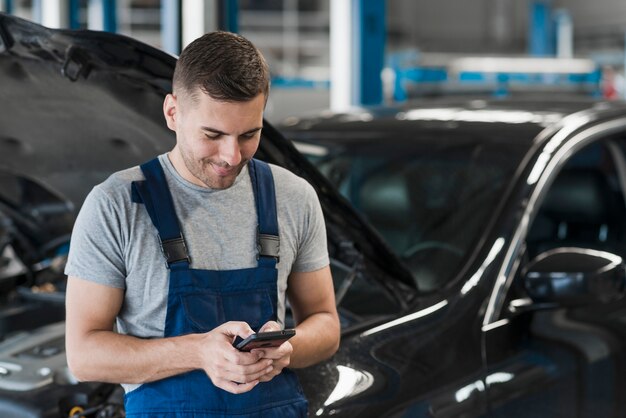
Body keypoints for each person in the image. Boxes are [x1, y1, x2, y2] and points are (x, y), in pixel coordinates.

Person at [64, 31, 340, 417]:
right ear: (173, 112)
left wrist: (288, 350)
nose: (231, 155)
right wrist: (198, 352)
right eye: (213, 135)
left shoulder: (293, 197)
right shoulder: (116, 206)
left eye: (250, 134)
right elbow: (84, 356)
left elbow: (325, 324)